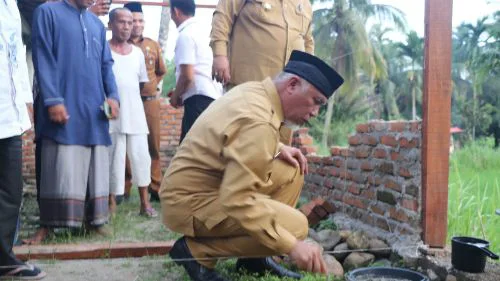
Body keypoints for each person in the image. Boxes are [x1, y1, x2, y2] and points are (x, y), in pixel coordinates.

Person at [161, 50, 344, 281]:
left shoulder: (255, 92)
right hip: (189, 203)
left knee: (291, 170)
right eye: (316, 102)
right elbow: (237, 199)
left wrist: (277, 147)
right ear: (292, 85)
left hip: (197, 187)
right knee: (296, 227)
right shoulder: (259, 120)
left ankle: (254, 258)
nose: (315, 113)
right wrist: (291, 246)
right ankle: (196, 253)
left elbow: (233, 136)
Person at [26, 0, 120, 244]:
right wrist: (53, 98)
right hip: (63, 102)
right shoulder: (47, 12)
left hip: (94, 108)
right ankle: (47, 224)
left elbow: (106, 65)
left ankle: (94, 221)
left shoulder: (96, 25)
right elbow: (42, 54)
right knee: (56, 165)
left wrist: (113, 96)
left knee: (94, 165)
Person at [0, 0, 46, 279]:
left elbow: (16, 54)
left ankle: (4, 260)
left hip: (9, 113)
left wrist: (25, 102)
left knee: (10, 192)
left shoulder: (11, 7)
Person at [107, 8, 157, 217]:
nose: (127, 26)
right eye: (122, 22)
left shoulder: (137, 54)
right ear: (110, 25)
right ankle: (111, 205)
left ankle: (145, 204)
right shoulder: (104, 50)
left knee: (141, 157)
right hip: (111, 113)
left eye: (130, 23)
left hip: (135, 112)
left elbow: (140, 84)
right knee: (114, 158)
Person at [210, 0, 314, 89]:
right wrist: (220, 55)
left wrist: (307, 74)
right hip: (246, 85)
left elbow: (308, 41)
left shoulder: (305, 3)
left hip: (285, 92)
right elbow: (223, 16)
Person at [123, 1, 167, 201]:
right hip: (127, 103)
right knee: (125, 145)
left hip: (149, 102)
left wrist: (152, 86)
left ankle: (155, 187)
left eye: (141, 20)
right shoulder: (119, 46)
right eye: (133, 21)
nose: (138, 25)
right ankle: (123, 188)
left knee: (153, 145)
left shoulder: (152, 45)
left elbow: (160, 71)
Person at [169, 0, 222, 142]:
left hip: (198, 99)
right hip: (213, 97)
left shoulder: (185, 35)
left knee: (189, 149)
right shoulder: (203, 31)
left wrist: (176, 95)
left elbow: (187, 75)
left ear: (176, 11)